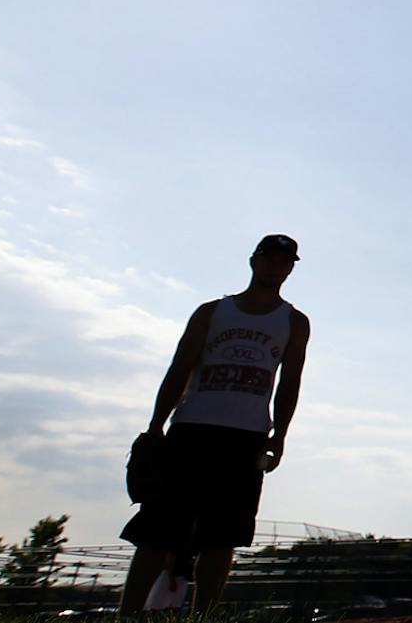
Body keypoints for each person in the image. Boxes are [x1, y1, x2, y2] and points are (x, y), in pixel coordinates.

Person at [119, 234, 310, 616]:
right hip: (192, 428)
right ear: (253, 261)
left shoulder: (294, 321)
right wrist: (156, 425)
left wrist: (280, 436)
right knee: (158, 531)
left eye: (283, 261)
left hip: (247, 435)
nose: (275, 266)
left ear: (290, 269)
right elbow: (180, 368)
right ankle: (128, 615)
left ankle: (203, 615)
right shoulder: (213, 312)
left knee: (222, 537)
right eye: (269, 258)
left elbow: (289, 383)